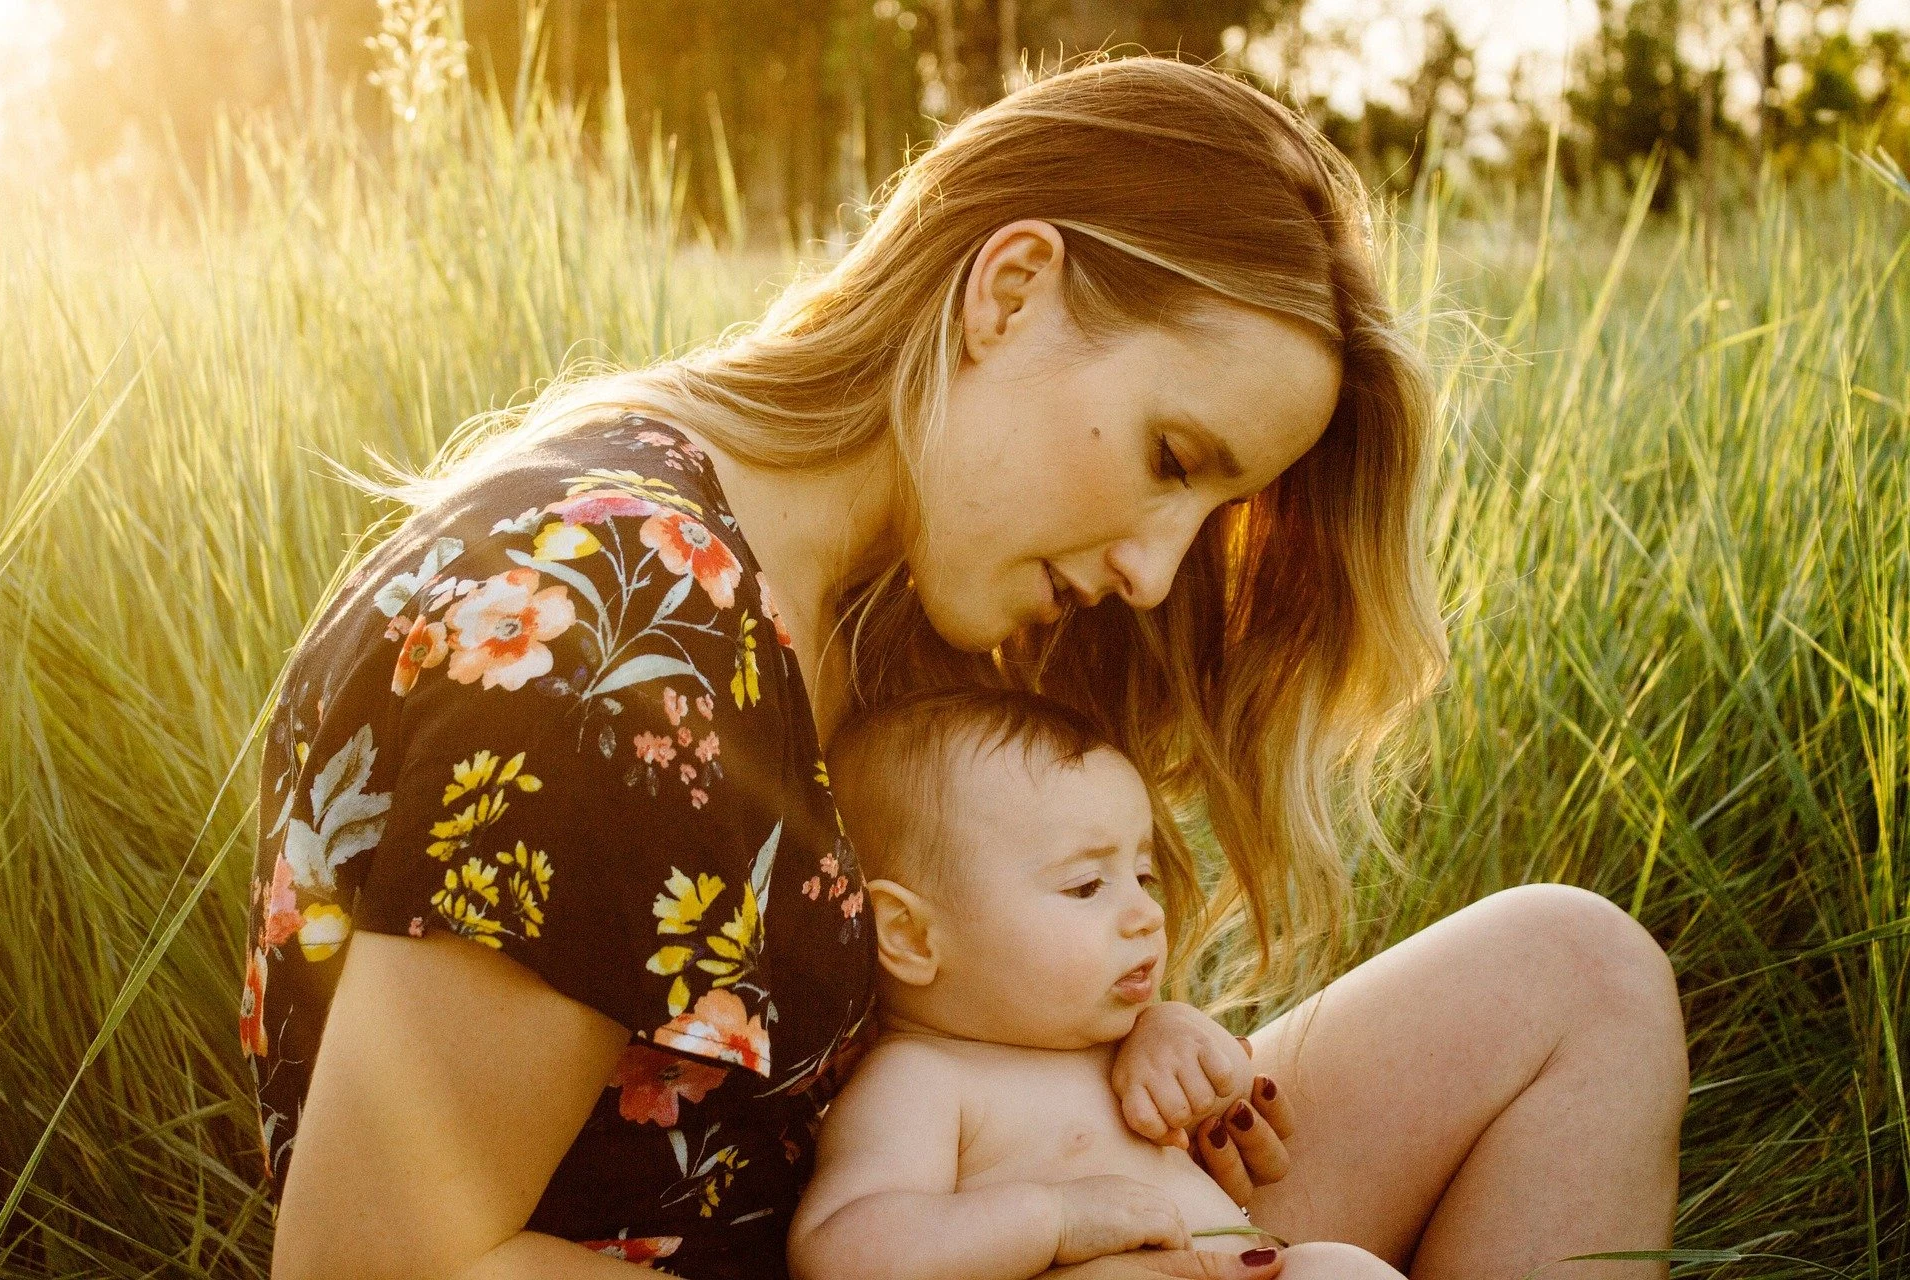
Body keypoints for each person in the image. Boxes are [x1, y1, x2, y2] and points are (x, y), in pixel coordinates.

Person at [247, 53, 1687, 1280]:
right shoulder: (613, 640)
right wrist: (1045, 1233)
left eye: (1209, 513)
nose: (1155, 572)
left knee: (1576, 977)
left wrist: (1120, 1069)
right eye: (1169, 460)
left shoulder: (870, 588)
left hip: (962, 1212)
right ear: (1010, 293)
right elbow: (369, 1267)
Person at [789, 687, 1409, 1280]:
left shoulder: (1123, 1039)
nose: (1148, 915)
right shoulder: (921, 1080)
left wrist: (1196, 1058)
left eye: (1144, 876)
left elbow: (1233, 1114)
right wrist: (1054, 1222)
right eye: (1086, 886)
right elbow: (842, 1254)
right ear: (912, 937)